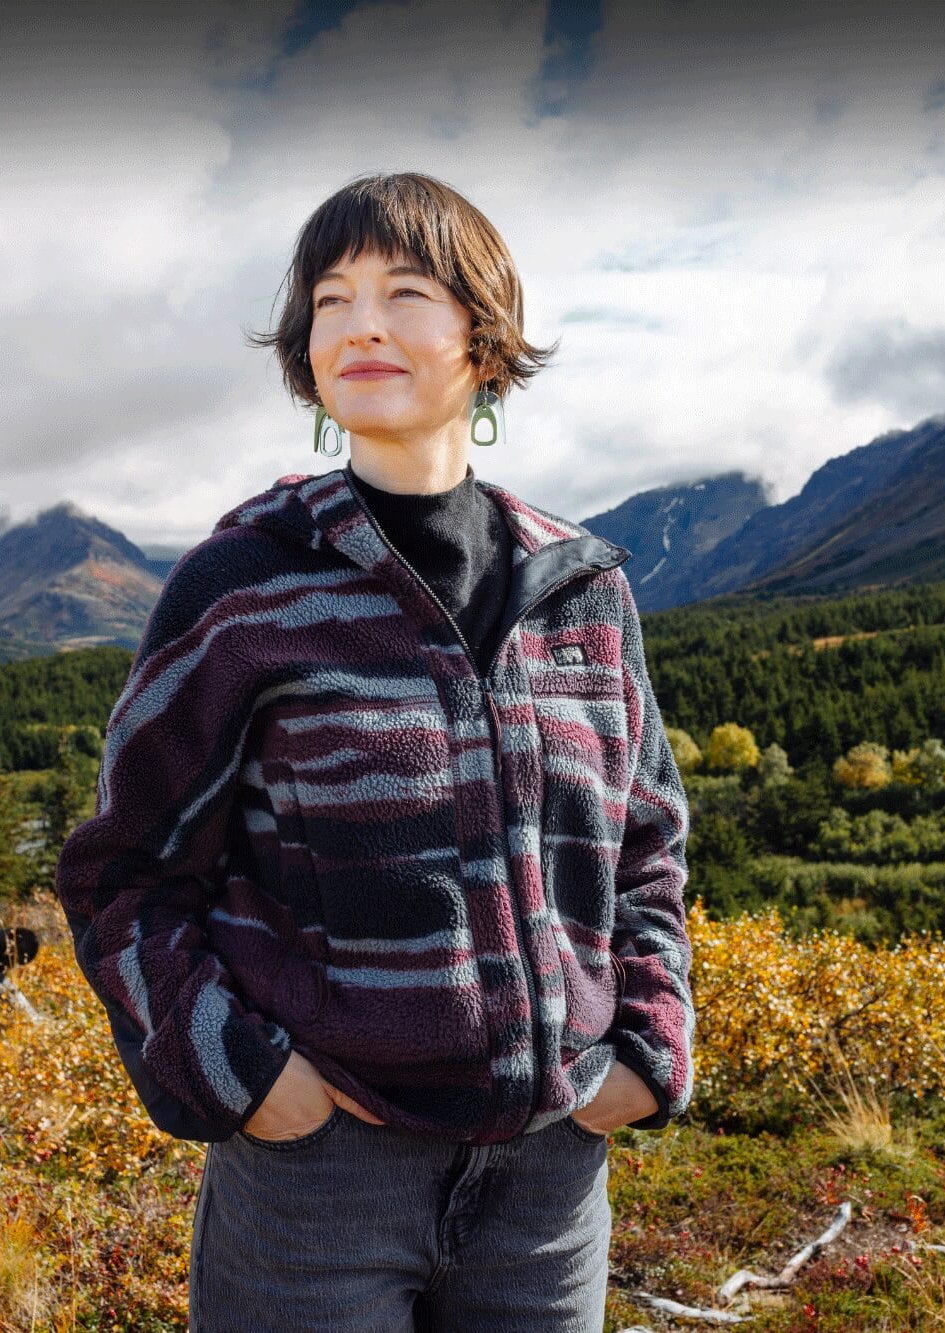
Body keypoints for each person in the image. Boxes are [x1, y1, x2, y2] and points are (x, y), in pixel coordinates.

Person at [55, 170, 695, 1332]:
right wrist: (239, 1074)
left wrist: (647, 1049)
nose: (359, 323)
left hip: (549, 1186)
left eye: (406, 292)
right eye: (331, 298)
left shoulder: (585, 592)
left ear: (484, 341)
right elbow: (123, 874)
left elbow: (644, 850)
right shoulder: (245, 586)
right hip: (321, 1179)